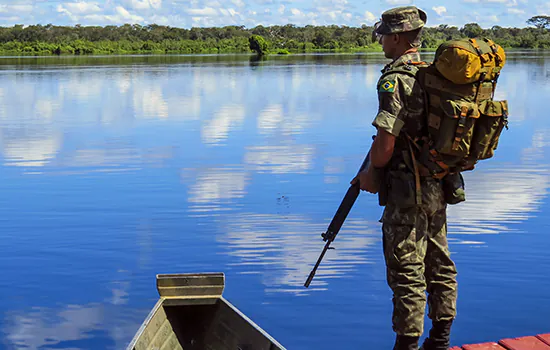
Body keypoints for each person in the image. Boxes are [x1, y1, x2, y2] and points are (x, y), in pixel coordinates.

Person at [351, 6, 458, 350]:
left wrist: (371, 173)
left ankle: (406, 345)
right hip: (438, 184)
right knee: (439, 261)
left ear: (397, 37)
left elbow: (385, 143)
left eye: (383, 35)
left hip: (405, 190)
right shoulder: (431, 74)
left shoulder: (394, 78)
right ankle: (440, 340)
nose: (380, 41)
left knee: (406, 269)